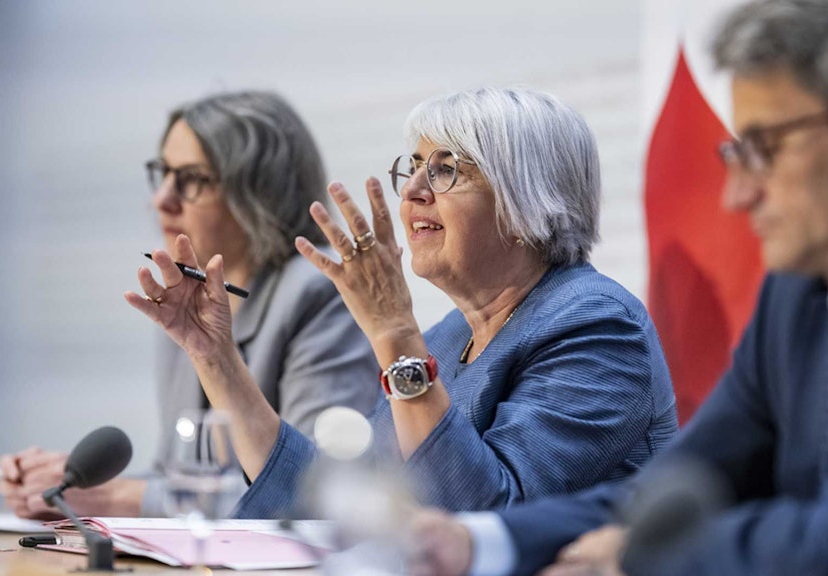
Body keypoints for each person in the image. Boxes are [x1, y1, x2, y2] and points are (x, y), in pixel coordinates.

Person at [407, 0, 828, 574]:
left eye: (765, 149)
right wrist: (475, 543)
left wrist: (641, 556)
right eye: (736, 152)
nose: (737, 195)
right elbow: (679, 484)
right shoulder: (798, 295)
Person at [127, 87, 679, 517]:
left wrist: (392, 329)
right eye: (413, 166)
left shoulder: (598, 325)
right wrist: (215, 358)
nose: (413, 188)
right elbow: (332, 505)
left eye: (445, 169)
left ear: (525, 195)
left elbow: (489, 516)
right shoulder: (447, 336)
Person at [0, 91, 379, 519]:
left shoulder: (316, 294)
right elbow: (180, 475)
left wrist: (118, 498)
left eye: (192, 178)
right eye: (163, 173)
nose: (162, 199)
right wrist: (67, 482)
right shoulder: (185, 296)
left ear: (260, 191)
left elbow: (319, 492)